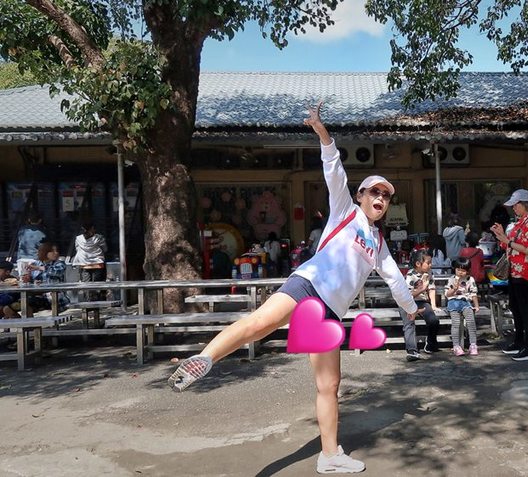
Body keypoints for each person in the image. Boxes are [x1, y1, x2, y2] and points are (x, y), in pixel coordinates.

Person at [168, 102, 420, 474]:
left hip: (329, 313)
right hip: (307, 285)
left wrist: (413, 308)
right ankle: (205, 359)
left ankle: (329, 455)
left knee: (329, 384)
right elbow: (333, 168)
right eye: (374, 193)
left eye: (386, 197)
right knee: (259, 324)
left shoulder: (379, 245)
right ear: (361, 196)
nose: (380, 200)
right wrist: (322, 132)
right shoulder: (344, 211)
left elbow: (396, 281)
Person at [489, 188, 528, 361]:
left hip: (523, 270)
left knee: (523, 308)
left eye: (516, 205)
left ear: (523, 204)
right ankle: (519, 342)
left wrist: (506, 240)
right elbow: (509, 245)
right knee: (515, 306)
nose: (514, 208)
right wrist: (501, 235)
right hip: (514, 269)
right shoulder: (521, 222)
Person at [400, 249, 441, 360]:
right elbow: (407, 295)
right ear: (418, 264)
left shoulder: (429, 273)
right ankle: (412, 350)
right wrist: (422, 288)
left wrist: (433, 305)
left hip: (421, 302)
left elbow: (431, 288)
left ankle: (430, 344)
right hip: (407, 302)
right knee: (409, 323)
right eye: (428, 263)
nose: (430, 265)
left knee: (434, 321)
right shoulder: (410, 274)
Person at [445, 257, 479, 356]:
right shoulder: (451, 279)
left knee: (471, 322)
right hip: (453, 302)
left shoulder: (470, 279)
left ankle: (473, 344)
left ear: (467, 271)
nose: (460, 272)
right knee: (456, 323)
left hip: (465, 302)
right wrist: (454, 289)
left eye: (463, 270)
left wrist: (476, 306)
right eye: (458, 270)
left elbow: (473, 293)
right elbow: (447, 294)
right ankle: (456, 346)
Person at [27, 241, 70, 311]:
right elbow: (32, 281)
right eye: (52, 251)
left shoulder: (59, 264)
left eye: (57, 251)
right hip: (40, 295)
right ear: (44, 252)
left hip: (56, 297)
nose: (56, 253)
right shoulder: (36, 263)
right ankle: (28, 321)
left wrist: (39, 268)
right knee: (20, 304)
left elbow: (56, 272)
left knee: (28, 303)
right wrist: (30, 280)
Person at [70, 222, 107, 301]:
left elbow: (77, 249)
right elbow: (105, 249)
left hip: (84, 264)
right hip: (98, 264)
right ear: (92, 229)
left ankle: (88, 301)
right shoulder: (99, 238)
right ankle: (98, 301)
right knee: (98, 285)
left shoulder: (78, 239)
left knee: (86, 285)